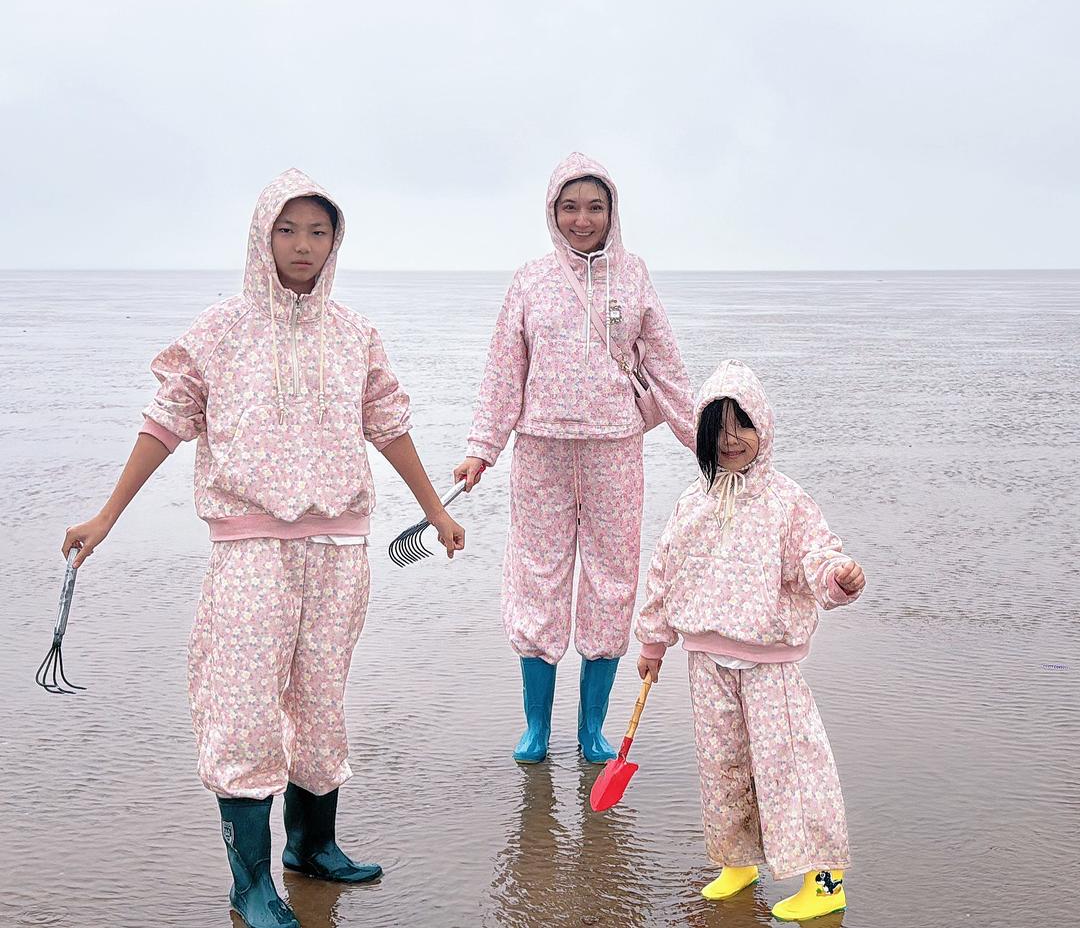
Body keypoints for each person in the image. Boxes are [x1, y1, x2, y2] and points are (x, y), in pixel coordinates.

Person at [63, 169, 465, 928]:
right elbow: (164, 422)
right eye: (288, 230)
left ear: (335, 240)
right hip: (251, 551)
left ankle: (312, 847)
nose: (303, 245)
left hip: (339, 547)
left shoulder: (355, 333)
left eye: (318, 231)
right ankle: (249, 883)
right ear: (261, 237)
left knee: (320, 703)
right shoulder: (219, 331)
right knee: (244, 709)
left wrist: (435, 509)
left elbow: (389, 425)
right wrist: (107, 515)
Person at [454, 152, 695, 765]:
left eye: (594, 207)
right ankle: (536, 728)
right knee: (539, 574)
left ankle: (591, 731)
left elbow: (663, 363)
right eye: (569, 207)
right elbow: (505, 370)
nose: (581, 219)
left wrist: (705, 442)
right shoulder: (531, 280)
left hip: (615, 445)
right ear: (552, 212)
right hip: (542, 448)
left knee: (612, 577)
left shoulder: (634, 275)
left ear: (612, 212)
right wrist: (482, 448)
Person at [635, 358, 865, 922]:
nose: (731, 439)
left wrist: (837, 578)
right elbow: (664, 572)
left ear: (764, 427)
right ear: (701, 438)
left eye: (743, 424)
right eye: (717, 427)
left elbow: (817, 555)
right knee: (723, 767)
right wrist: (652, 640)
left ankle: (825, 879)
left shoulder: (786, 500)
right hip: (706, 659)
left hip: (769, 665)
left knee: (792, 767)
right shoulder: (693, 503)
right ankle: (736, 862)